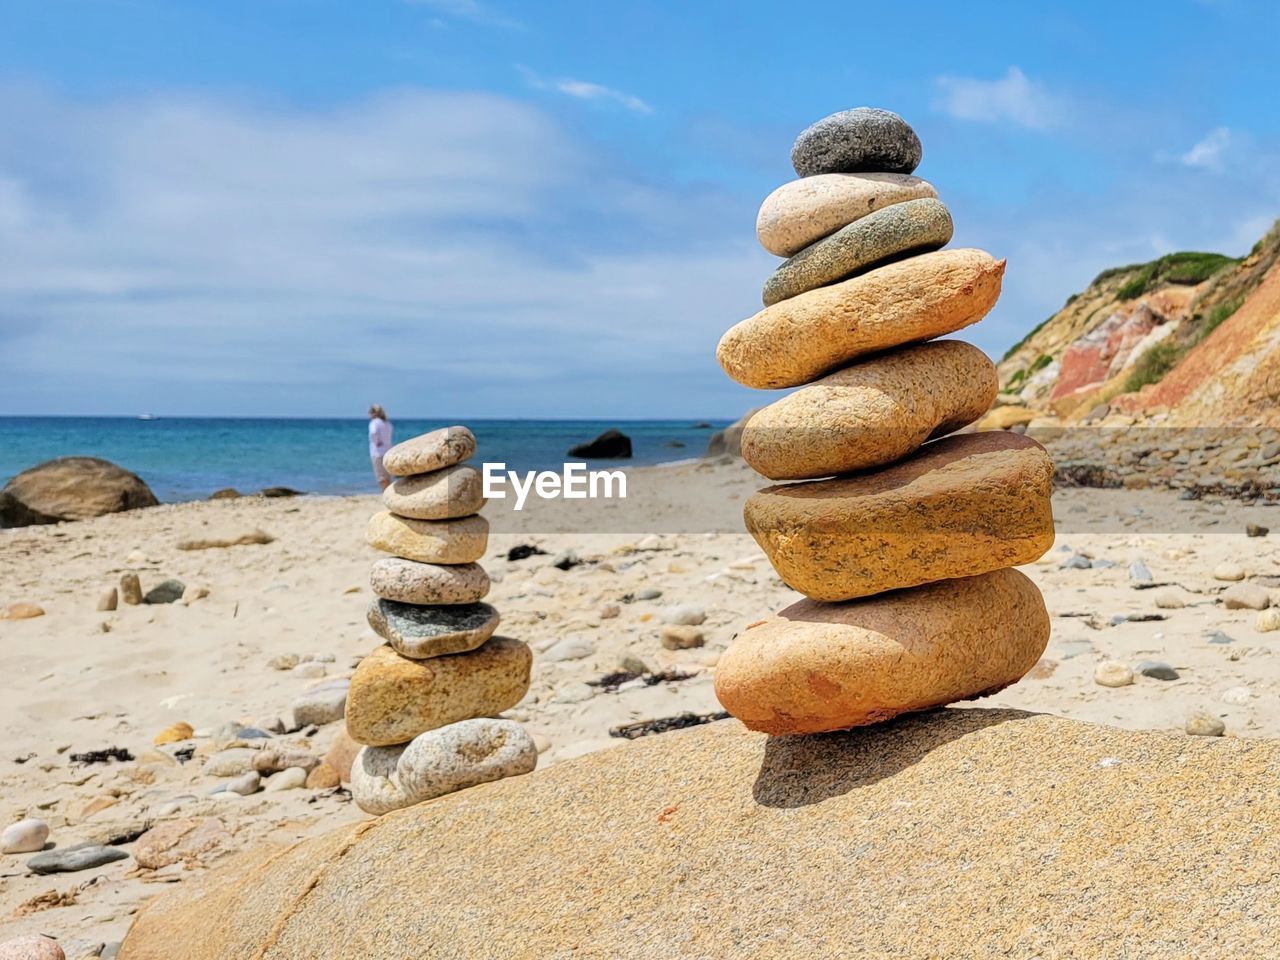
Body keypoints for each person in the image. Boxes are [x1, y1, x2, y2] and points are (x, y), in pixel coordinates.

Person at [368, 405, 393, 489]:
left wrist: (376, 442)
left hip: (377, 452)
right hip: (388, 451)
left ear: (373, 413)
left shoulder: (374, 423)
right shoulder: (387, 423)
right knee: (388, 477)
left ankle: (385, 495)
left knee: (381, 478)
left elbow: (373, 433)